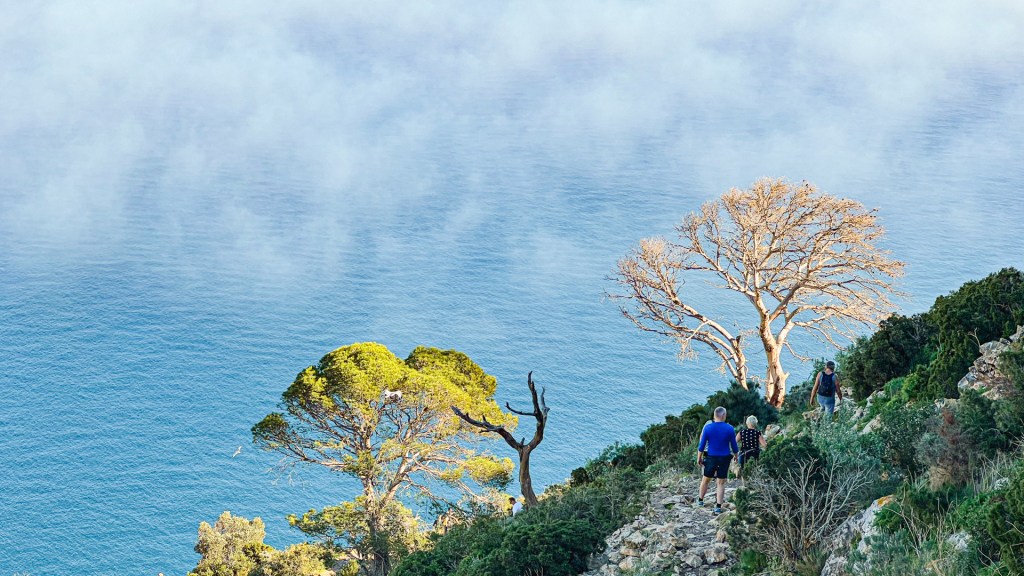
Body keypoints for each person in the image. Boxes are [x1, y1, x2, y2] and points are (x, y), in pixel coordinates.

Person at [696, 406, 739, 514]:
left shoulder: (708, 428)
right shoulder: (729, 428)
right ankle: (718, 506)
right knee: (721, 482)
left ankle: (700, 500)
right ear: (723, 415)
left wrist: (699, 458)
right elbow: (734, 445)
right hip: (724, 458)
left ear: (714, 415)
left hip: (711, 457)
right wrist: (736, 455)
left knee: (705, 480)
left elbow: (701, 445)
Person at [736, 415, 767, 481]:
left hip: (744, 454)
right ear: (755, 424)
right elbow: (765, 445)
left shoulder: (741, 432)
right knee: (756, 469)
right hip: (755, 454)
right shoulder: (758, 433)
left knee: (743, 469)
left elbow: (734, 442)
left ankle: (743, 482)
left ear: (747, 423)